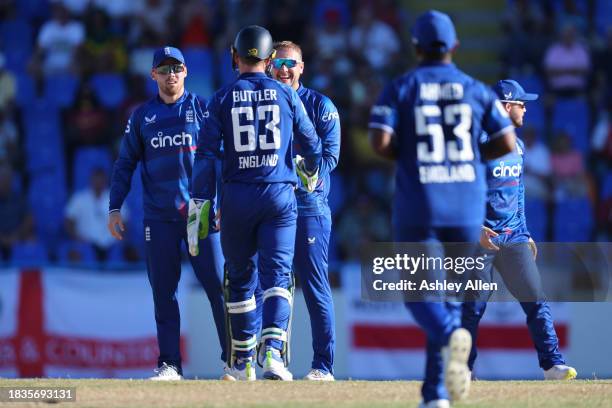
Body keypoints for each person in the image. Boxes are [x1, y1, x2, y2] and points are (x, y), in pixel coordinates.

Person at [369, 10, 517, 408]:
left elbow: (380, 142)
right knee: (450, 295)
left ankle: (452, 335)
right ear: (454, 46)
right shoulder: (477, 89)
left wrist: (413, 158)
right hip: (468, 206)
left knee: (421, 297)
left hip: (421, 203)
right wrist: (470, 158)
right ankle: (435, 394)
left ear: (414, 47)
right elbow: (506, 142)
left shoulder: (402, 86)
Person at [188, 25, 321, 381]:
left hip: (236, 198)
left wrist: (201, 201)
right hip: (279, 196)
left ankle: (242, 359)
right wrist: (309, 169)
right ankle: (274, 356)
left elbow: (204, 157)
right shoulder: (287, 94)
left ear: (235, 57)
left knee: (240, 278)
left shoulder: (220, 97)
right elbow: (312, 143)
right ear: (270, 58)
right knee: (278, 275)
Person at [108, 46, 227, 381]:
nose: (170, 74)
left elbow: (225, 158)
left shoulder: (204, 109)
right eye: (163, 69)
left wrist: (224, 204)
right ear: (153, 76)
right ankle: (170, 364)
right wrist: (115, 207)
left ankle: (232, 361)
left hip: (200, 215)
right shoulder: (141, 116)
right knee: (164, 292)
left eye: (176, 68)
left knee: (217, 287)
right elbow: (124, 164)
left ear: (186, 72)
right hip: (159, 218)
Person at [461, 79, 577, 381]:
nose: (526, 108)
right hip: (481, 241)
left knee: (536, 299)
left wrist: (525, 231)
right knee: (473, 308)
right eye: (520, 103)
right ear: (504, 106)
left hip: (514, 237)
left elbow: (518, 191)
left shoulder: (519, 145)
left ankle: (552, 365)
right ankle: (463, 369)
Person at [270, 40, 340, 381]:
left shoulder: (320, 104)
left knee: (314, 286)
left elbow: (330, 157)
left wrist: (307, 173)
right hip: (270, 207)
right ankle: (271, 360)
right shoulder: (263, 102)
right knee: (267, 284)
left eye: (290, 63)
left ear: (301, 68)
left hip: (309, 208)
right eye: (278, 62)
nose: (284, 68)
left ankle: (323, 366)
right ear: (269, 65)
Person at [66, 167, 122, 260]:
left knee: (120, 252)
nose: (98, 183)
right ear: (91, 180)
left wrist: (121, 237)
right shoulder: (79, 198)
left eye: (101, 180)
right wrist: (76, 237)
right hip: (86, 243)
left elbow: (126, 221)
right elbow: (68, 221)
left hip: (111, 243)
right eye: (96, 179)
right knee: (79, 252)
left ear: (105, 181)